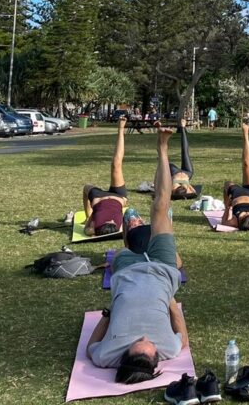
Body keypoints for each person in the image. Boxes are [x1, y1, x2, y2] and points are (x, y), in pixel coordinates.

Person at [87, 126, 189, 382]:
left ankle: (126, 219)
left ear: (124, 356)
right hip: (164, 270)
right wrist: (172, 306)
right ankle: (163, 149)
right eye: (149, 342)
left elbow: (91, 346)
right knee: (160, 208)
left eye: (136, 342)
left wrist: (109, 314)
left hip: (128, 269)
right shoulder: (169, 348)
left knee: (127, 241)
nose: (144, 337)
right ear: (158, 359)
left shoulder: (105, 357)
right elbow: (183, 342)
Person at [82, 117, 130, 237]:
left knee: (86, 188)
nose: (112, 220)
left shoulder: (95, 227)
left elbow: (87, 231)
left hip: (98, 198)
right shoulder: (119, 226)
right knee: (116, 164)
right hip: (118, 196)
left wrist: (89, 217)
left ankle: (86, 213)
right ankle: (121, 129)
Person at [220, 122, 249, 230]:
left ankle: (225, 199)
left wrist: (227, 205)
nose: (247, 213)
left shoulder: (235, 221)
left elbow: (224, 222)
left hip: (235, 193)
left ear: (241, 220)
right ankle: (246, 133)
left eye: (245, 215)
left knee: (227, 183)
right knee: (247, 164)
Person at [169, 119, 198, 200]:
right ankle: (183, 128)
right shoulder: (185, 188)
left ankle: (162, 148)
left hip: (177, 173)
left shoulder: (173, 187)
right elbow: (195, 192)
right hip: (187, 172)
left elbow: (194, 192)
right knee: (185, 151)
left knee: (166, 163)